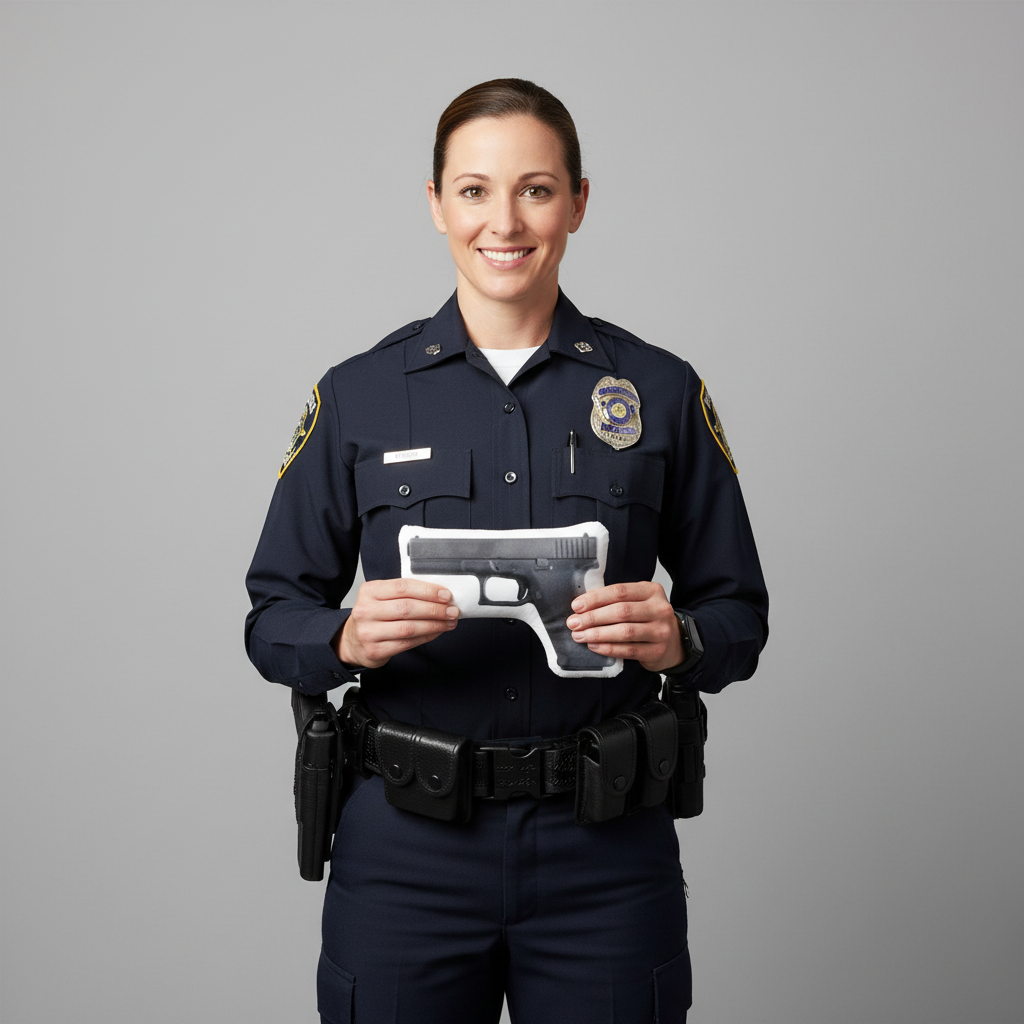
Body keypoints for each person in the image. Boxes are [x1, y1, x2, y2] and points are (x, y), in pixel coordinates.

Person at [245, 78, 768, 1024]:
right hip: (407, 849)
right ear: (436, 204)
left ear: (577, 201)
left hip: (604, 850)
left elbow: (741, 616)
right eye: (475, 189)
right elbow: (272, 615)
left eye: (535, 188)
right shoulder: (358, 396)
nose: (505, 220)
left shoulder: (658, 389)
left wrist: (680, 634)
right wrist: (345, 641)